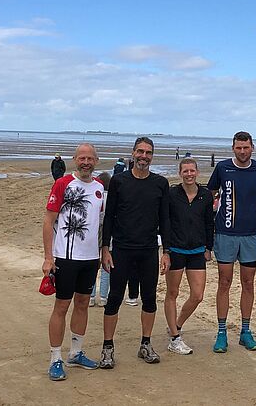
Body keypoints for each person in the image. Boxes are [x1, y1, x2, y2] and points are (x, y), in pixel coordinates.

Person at [99, 137, 171, 369]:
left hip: (149, 249)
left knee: (149, 299)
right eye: (140, 151)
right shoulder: (119, 181)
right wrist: (105, 247)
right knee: (115, 298)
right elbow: (109, 216)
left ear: (152, 156)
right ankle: (107, 347)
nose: (144, 156)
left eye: (148, 152)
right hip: (121, 250)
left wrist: (166, 251)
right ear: (132, 153)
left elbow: (165, 220)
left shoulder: (160, 183)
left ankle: (145, 344)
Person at [42, 143, 104, 381]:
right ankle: (55, 358)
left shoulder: (99, 187)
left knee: (82, 304)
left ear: (96, 161)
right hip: (65, 258)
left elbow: (100, 223)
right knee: (61, 307)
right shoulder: (63, 183)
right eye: (82, 158)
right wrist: (49, 257)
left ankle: (76, 353)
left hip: (90, 258)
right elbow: (48, 221)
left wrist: (104, 251)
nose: (86, 162)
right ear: (75, 160)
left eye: (90, 158)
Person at [207, 131, 256, 353]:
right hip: (225, 233)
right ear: (233, 148)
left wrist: (252, 209)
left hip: (251, 234)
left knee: (248, 283)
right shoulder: (223, 167)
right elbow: (210, 192)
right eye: (239, 147)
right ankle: (221, 332)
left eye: (246, 147)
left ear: (252, 147)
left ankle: (245, 331)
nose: (243, 151)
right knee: (224, 282)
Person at [163, 158, 214, 355]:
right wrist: (165, 250)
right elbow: (165, 222)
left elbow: (210, 222)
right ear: (180, 173)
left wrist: (209, 247)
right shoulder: (172, 194)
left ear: (197, 172)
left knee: (197, 295)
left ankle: (176, 325)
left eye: (192, 171)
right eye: (185, 171)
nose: (189, 174)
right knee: (172, 293)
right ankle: (175, 339)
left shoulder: (205, 195)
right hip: (175, 250)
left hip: (197, 251)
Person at [90, 171, 112, 308]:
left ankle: (91, 296)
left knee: (92, 264)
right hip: (108, 231)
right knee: (106, 265)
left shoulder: (95, 194)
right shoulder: (112, 196)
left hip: (94, 230)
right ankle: (103, 297)